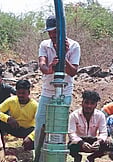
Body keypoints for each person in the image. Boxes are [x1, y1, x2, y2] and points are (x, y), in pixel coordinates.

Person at [35, 15, 81, 149]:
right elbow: (42, 66)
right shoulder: (44, 45)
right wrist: (50, 68)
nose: (52, 35)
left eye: (55, 31)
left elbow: (72, 71)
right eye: (50, 32)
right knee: (40, 125)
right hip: (47, 92)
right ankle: (39, 160)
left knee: (59, 127)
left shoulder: (73, 46)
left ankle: (57, 157)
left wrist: (63, 56)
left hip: (64, 93)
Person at [68, 91, 108, 162]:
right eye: (86, 102)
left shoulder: (100, 115)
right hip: (79, 142)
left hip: (93, 141)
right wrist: (82, 143)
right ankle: (77, 157)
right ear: (82, 102)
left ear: (96, 105)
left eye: (92, 103)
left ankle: (91, 158)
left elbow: (103, 132)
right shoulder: (74, 115)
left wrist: (99, 141)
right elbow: (71, 133)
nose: (89, 106)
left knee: (107, 145)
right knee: (70, 146)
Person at [0, 79, 37, 149]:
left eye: (23, 93)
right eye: (19, 93)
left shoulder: (35, 105)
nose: (21, 95)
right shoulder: (11, 100)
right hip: (14, 127)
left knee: (31, 144)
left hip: (28, 130)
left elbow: (41, 124)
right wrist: (7, 118)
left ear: (28, 92)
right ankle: (1, 147)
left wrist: (31, 137)